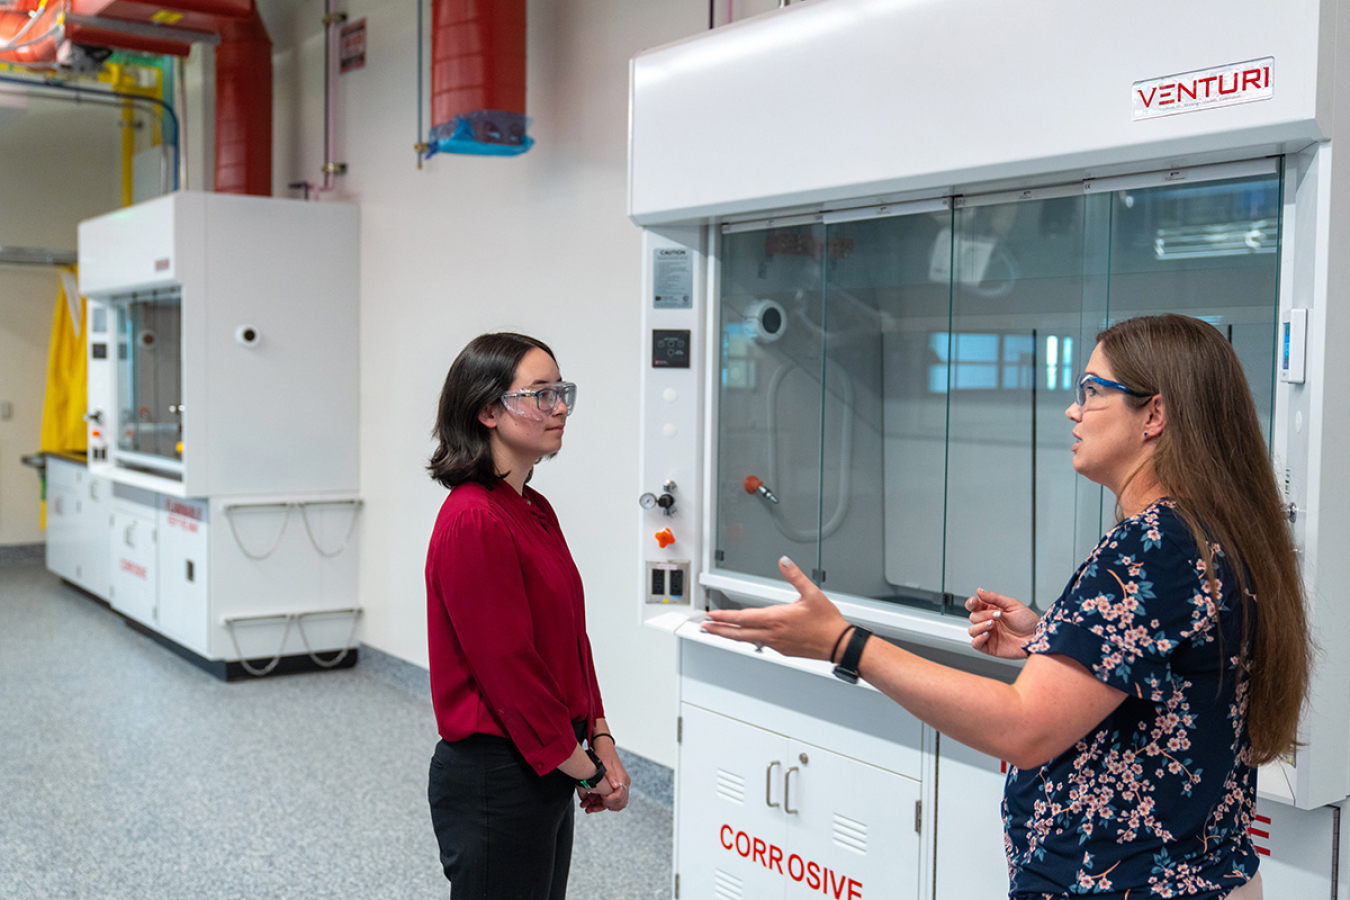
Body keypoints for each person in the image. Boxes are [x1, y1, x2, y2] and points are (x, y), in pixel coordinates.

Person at [702, 314, 1310, 900]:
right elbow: (1175, 683)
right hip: (1199, 875)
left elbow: (1024, 727)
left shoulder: (1154, 543)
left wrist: (845, 644)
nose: (1073, 410)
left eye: (1092, 392)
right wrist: (1055, 637)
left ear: (1153, 414)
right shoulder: (1207, 532)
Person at [424, 332, 630, 900]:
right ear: (488, 410)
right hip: (497, 773)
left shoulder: (533, 509)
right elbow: (509, 669)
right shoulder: (474, 520)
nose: (560, 407)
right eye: (540, 394)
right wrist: (582, 767)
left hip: (547, 761)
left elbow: (568, 640)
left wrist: (598, 735)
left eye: (562, 391)